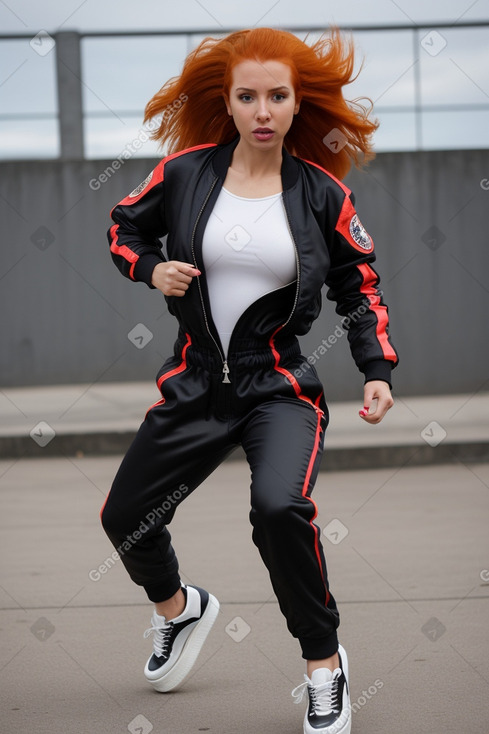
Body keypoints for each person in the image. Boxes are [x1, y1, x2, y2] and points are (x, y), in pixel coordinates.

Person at [100, 26, 398, 734]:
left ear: (298, 105)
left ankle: (323, 667)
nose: (262, 110)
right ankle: (180, 610)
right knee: (124, 519)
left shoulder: (322, 194)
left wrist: (376, 369)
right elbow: (122, 229)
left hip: (278, 389)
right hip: (195, 382)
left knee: (277, 511)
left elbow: (360, 288)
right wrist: (150, 268)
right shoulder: (183, 173)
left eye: (277, 96)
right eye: (246, 96)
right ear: (227, 105)